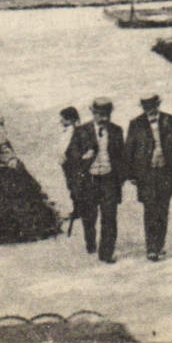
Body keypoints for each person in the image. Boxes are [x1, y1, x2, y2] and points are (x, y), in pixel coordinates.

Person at [125, 93, 172, 261]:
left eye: (152, 106)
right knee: (150, 209)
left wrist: (168, 144)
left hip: (166, 171)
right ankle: (151, 247)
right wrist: (130, 174)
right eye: (146, 107)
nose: (150, 110)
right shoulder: (136, 124)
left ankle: (159, 245)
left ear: (158, 105)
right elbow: (129, 149)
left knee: (163, 209)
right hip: (146, 173)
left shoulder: (170, 120)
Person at [69, 98, 126, 263]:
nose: (103, 119)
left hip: (109, 179)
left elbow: (121, 156)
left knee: (109, 216)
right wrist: (83, 156)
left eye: (106, 115)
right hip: (89, 180)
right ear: (93, 113)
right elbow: (71, 154)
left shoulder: (116, 130)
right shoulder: (81, 131)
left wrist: (120, 178)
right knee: (89, 216)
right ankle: (91, 242)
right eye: (100, 115)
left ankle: (106, 252)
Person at [58, 106, 93, 248]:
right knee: (71, 185)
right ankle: (77, 206)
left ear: (70, 119)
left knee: (75, 185)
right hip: (67, 164)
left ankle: (79, 207)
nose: (60, 120)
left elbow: (73, 148)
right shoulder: (67, 131)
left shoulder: (75, 131)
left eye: (63, 118)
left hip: (72, 164)